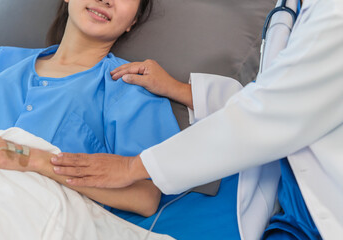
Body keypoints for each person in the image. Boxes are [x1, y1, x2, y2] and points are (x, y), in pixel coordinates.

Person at [50, 0, 343, 239]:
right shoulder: (4, 61)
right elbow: (276, 94)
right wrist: (179, 90)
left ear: (133, 22)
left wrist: (133, 166)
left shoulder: (335, 15)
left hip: (321, 210)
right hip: (294, 211)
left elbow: (273, 111)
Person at [0, 0, 180, 219]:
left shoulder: (131, 88)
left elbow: (145, 198)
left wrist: (30, 159)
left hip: (24, 215)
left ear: (132, 21)